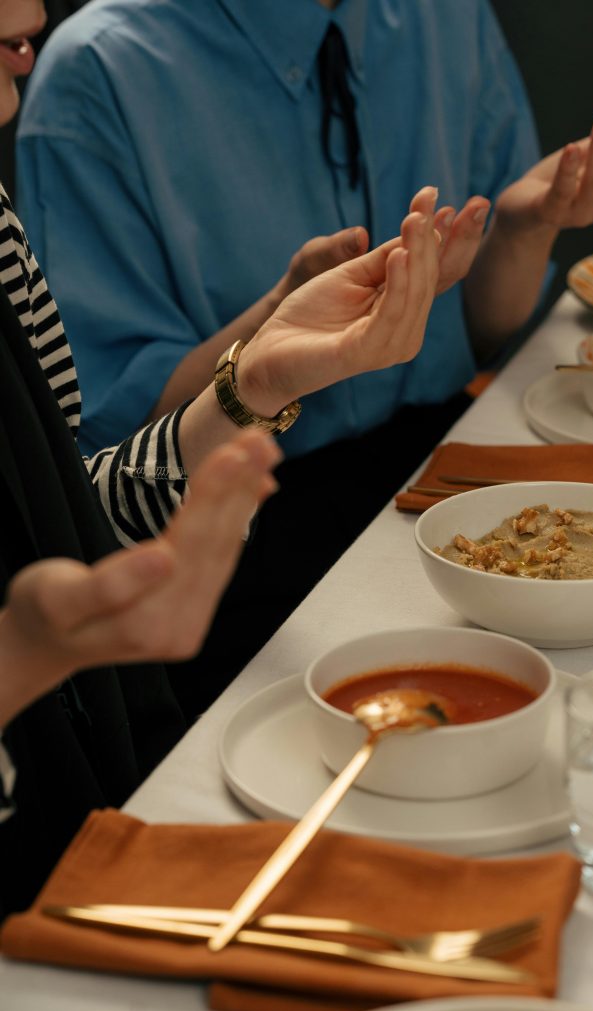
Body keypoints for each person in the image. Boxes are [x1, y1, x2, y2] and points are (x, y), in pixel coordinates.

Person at [14, 0, 593, 707]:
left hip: (441, 462)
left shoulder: (441, 15)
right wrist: (276, 328)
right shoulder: (102, 67)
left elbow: (481, 337)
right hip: (239, 526)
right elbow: (121, 448)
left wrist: (524, 226)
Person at [0, 0, 494, 916]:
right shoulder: (102, 66)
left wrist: (250, 384)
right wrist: (25, 653)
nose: (33, 10)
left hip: (80, 748)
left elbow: (68, 506)